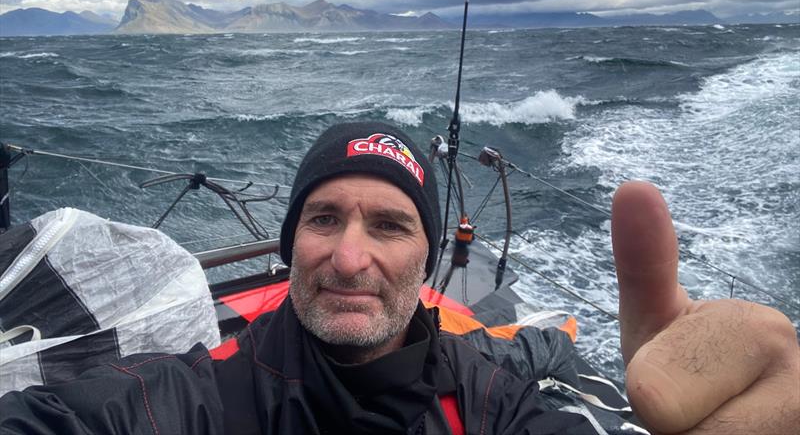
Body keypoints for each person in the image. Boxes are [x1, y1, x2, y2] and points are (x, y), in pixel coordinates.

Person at [1, 121, 798, 434]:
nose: (350, 259)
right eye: (323, 220)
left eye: (389, 225)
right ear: (292, 245)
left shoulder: (493, 398)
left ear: (428, 258)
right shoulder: (186, 400)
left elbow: (552, 371)